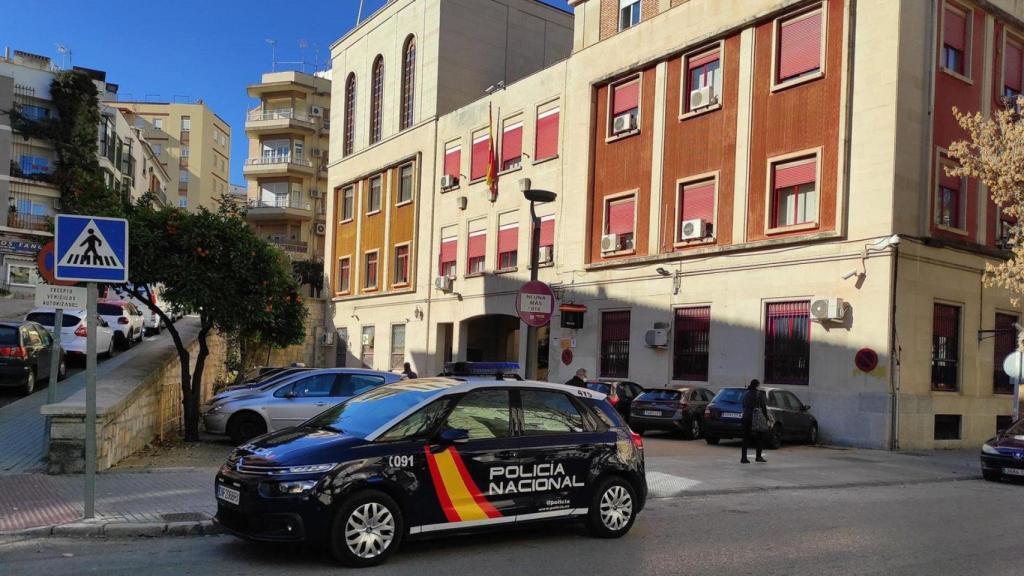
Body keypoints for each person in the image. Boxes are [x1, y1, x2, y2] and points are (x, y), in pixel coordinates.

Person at [741, 379, 768, 464]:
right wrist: (766, 417)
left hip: (745, 416)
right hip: (755, 417)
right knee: (760, 436)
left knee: (745, 438)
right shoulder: (759, 394)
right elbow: (763, 406)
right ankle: (758, 456)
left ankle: (743, 458)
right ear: (757, 385)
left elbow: (743, 404)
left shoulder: (745, 394)